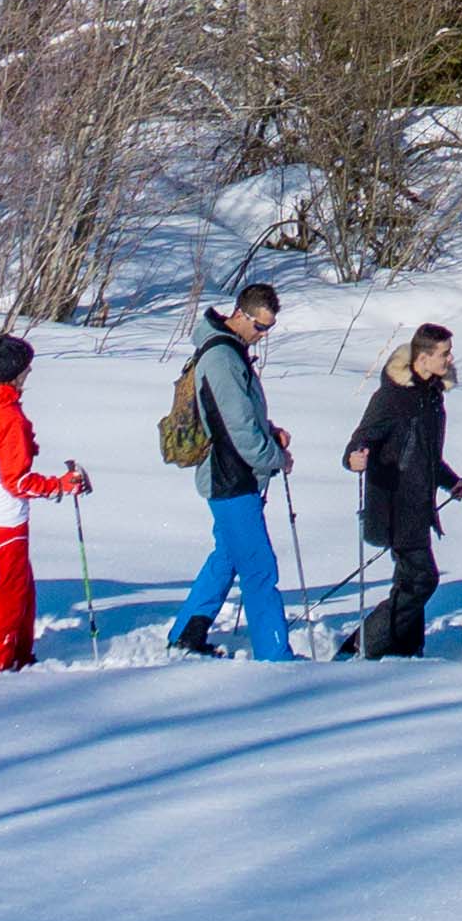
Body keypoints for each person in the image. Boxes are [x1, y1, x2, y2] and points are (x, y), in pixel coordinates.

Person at [166, 280, 296, 661]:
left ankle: (186, 634)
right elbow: (238, 428)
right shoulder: (222, 358)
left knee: (227, 555)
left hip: (231, 472)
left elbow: (236, 418)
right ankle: (275, 656)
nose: (262, 335)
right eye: (259, 326)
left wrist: (269, 434)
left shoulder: (230, 350)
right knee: (259, 567)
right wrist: (274, 455)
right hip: (230, 476)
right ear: (239, 314)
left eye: (268, 328)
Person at [0, 332, 91, 676]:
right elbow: (16, 482)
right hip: (0, 514)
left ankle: (16, 656)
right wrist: (60, 485)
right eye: (28, 370)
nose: (29, 375)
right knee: (4, 594)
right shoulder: (8, 416)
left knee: (18, 588)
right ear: (17, 371)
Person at [339, 323, 462, 658]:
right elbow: (361, 439)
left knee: (408, 581)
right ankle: (362, 644)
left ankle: (406, 651)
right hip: (393, 505)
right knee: (422, 580)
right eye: (444, 353)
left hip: (417, 505)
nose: (450, 359)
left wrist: (452, 481)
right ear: (424, 357)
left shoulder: (430, 396)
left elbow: (427, 456)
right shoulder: (392, 396)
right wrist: (354, 458)